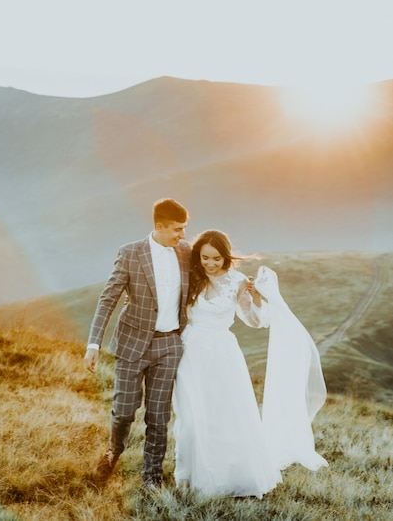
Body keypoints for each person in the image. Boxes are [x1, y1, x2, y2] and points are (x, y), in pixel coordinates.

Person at [173, 230, 328, 497]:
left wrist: (255, 297)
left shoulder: (237, 281)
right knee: (191, 415)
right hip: (190, 353)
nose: (210, 264)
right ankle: (193, 478)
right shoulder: (192, 277)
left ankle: (231, 476)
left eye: (216, 259)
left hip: (222, 354)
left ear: (226, 257)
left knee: (226, 414)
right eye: (205, 258)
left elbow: (254, 321)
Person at [84, 198, 191, 490]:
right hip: (132, 344)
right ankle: (114, 449)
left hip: (169, 346)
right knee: (125, 410)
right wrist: (94, 344)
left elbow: (211, 274)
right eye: (178, 229)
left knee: (159, 416)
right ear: (160, 226)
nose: (183, 235)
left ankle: (151, 478)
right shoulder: (130, 253)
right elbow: (108, 298)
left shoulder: (185, 252)